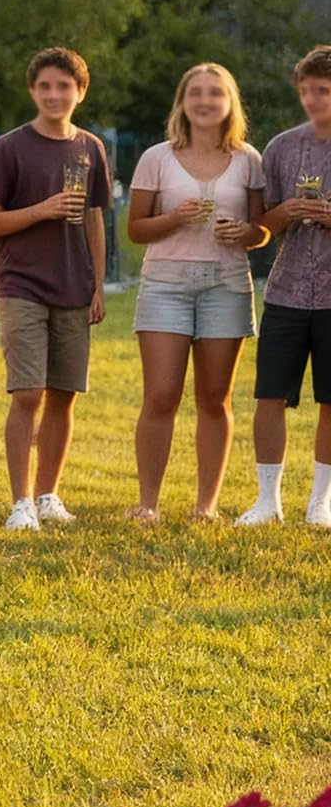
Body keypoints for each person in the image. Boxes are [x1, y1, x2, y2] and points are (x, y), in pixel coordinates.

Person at [0, 46, 112, 530]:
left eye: (64, 86)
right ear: (33, 91)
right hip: (21, 285)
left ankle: (49, 493)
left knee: (63, 393)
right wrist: (42, 209)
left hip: (75, 286)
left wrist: (97, 283)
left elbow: (95, 218)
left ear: (80, 91)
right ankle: (21, 503)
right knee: (28, 392)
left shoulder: (91, 147)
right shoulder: (9, 148)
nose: (54, 95)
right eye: (45, 86)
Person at [125, 64, 267, 522]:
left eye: (215, 94)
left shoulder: (249, 160)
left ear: (229, 104)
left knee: (215, 398)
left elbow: (262, 231)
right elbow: (136, 230)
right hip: (165, 285)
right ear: (182, 102)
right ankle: (148, 504)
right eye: (196, 93)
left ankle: (205, 506)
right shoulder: (157, 157)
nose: (205, 101)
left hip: (226, 285)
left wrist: (245, 231)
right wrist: (173, 219)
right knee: (161, 396)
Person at [238, 44, 331, 529]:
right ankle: (266, 500)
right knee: (270, 396)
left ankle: (321, 502)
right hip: (286, 292)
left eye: (324, 91)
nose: (314, 100)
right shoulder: (280, 148)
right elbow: (260, 228)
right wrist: (286, 213)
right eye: (307, 91)